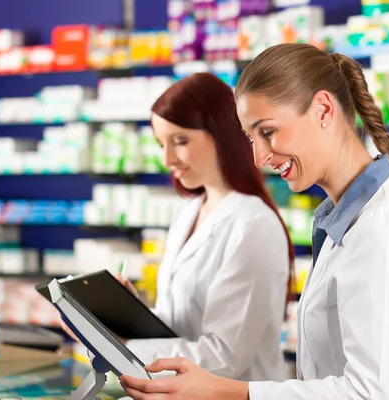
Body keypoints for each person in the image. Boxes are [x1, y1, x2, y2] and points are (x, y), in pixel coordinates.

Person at [120, 43, 389, 400]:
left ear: (324, 110)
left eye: (267, 132)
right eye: (251, 138)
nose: (259, 157)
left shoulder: (382, 227)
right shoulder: (341, 220)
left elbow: (369, 393)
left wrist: (230, 391)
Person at [63, 72, 294, 383]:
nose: (167, 158)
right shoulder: (189, 210)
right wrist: (131, 315)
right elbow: (181, 327)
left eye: (180, 141)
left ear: (223, 132)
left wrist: (124, 348)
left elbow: (224, 358)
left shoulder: (254, 225)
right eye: (161, 143)